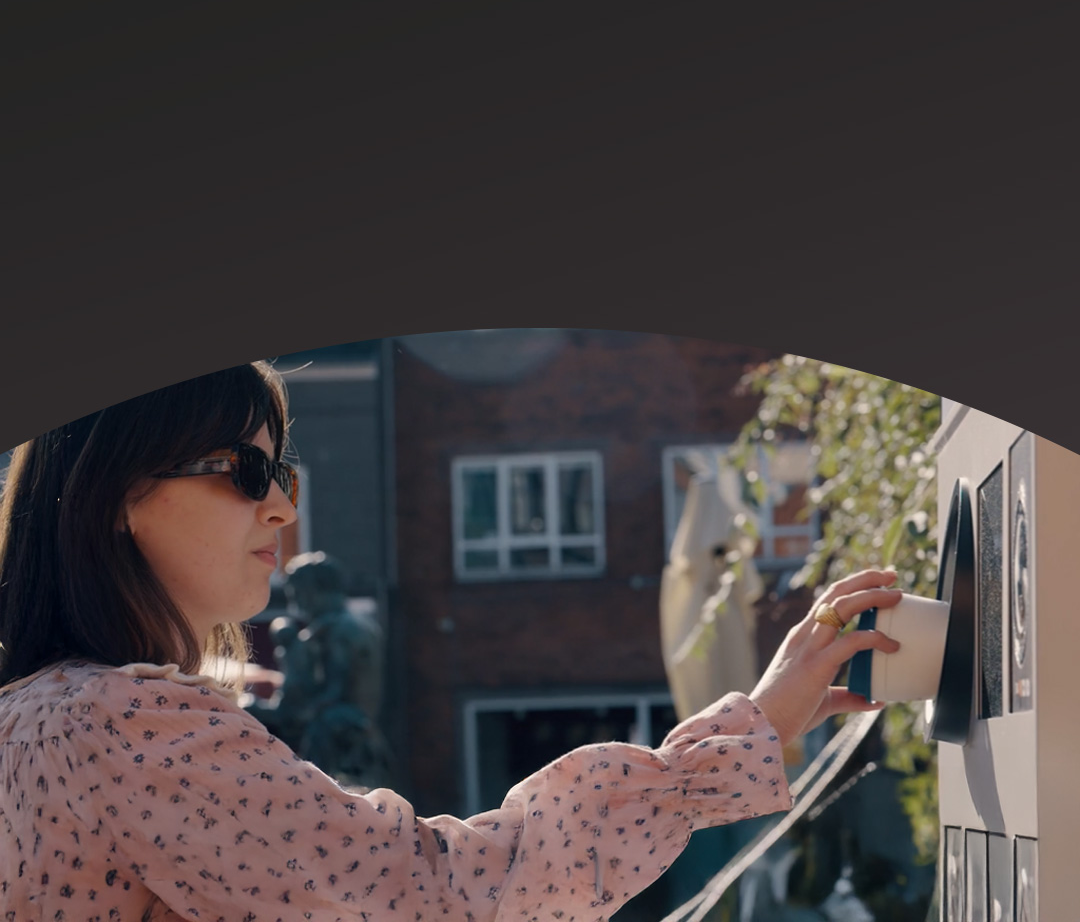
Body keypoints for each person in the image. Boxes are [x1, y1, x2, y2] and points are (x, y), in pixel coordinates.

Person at [0, 361, 902, 922]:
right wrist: (737, 742)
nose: (282, 503)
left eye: (281, 468)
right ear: (118, 493)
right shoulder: (125, 727)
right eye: (242, 470)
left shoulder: (31, 718)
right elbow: (444, 897)